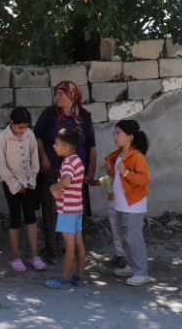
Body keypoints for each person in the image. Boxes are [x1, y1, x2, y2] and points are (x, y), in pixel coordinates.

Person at [34, 80, 96, 265]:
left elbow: (91, 144)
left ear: (72, 96)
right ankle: (52, 250)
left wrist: (92, 170)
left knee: (75, 210)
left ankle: (75, 249)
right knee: (51, 210)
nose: (57, 97)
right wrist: (44, 157)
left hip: (77, 173)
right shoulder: (50, 113)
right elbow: (36, 135)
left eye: (61, 94)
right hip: (52, 170)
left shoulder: (84, 116)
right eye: (56, 94)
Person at [0, 107, 46, 272]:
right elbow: (1, 165)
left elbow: (34, 159)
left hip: (28, 183)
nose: (23, 131)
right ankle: (15, 256)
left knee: (31, 218)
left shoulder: (30, 135)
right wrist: (16, 184)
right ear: (11, 123)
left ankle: (34, 255)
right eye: (20, 127)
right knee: (15, 218)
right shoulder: (2, 138)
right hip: (11, 184)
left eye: (25, 127)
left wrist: (30, 180)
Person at [103, 120, 152, 286]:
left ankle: (142, 272)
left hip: (134, 204)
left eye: (119, 133)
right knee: (124, 237)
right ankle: (132, 266)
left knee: (134, 238)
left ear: (130, 137)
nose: (115, 136)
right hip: (121, 203)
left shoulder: (137, 156)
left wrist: (126, 173)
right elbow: (117, 176)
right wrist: (111, 168)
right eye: (115, 132)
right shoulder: (119, 154)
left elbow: (144, 179)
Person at [45, 129, 86, 289]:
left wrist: (52, 188)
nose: (54, 147)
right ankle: (79, 277)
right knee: (79, 244)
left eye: (56, 144)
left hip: (67, 211)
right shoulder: (78, 161)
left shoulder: (68, 163)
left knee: (69, 247)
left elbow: (66, 181)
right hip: (77, 209)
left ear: (66, 148)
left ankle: (64, 279)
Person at [90, 174, 127, 268]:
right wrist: (88, 178)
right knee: (115, 231)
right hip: (112, 209)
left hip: (122, 208)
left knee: (124, 231)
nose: (107, 167)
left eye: (109, 164)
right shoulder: (107, 178)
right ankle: (120, 254)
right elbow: (94, 183)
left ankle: (126, 256)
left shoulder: (123, 177)